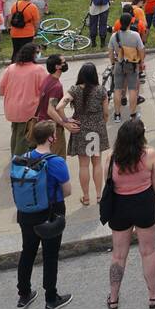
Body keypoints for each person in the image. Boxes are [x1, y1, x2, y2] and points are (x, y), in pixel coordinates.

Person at [104, 118, 155, 308]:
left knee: (118, 255)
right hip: (144, 203)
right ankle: (153, 296)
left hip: (120, 207)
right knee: (148, 251)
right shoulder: (150, 155)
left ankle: (113, 298)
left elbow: (108, 185)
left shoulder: (111, 158)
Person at [13, 120, 73, 309]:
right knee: (50, 256)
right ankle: (51, 298)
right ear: (51, 138)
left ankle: (24, 295)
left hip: (26, 214)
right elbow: (67, 191)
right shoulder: (56, 162)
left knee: (27, 253)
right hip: (51, 214)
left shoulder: (22, 159)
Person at [58, 62, 109, 206]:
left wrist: (66, 120)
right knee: (97, 163)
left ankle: (86, 197)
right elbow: (106, 113)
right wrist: (102, 122)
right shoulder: (101, 91)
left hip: (80, 129)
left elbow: (59, 106)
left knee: (84, 166)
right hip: (97, 130)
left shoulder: (74, 90)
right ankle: (99, 196)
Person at [0, 43, 45, 156]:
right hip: (28, 109)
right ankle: (19, 159)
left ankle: (14, 154)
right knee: (24, 136)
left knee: (15, 132)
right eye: (37, 53)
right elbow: (45, 89)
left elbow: (1, 88)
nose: (39, 55)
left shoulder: (11, 68)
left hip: (11, 107)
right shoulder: (38, 70)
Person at [108, 12, 147, 121]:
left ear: (120, 23)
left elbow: (110, 52)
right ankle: (133, 114)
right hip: (132, 65)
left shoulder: (114, 36)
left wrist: (112, 63)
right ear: (131, 22)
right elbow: (141, 50)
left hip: (119, 64)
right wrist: (142, 62)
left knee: (117, 90)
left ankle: (117, 114)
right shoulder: (135, 35)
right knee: (132, 90)